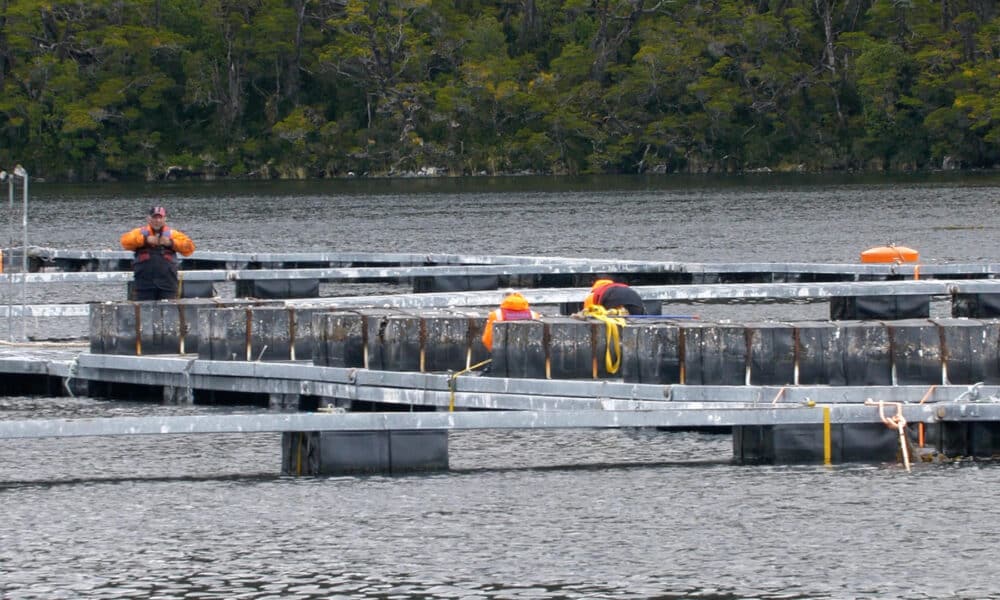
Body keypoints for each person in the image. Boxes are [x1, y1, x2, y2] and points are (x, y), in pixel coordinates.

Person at [120, 205, 196, 300]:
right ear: (149, 218)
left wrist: (171, 242)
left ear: (165, 219)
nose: (157, 220)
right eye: (154, 217)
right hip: (144, 284)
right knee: (145, 311)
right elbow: (125, 242)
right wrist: (145, 240)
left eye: (160, 218)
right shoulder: (139, 232)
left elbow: (190, 248)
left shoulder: (173, 234)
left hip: (167, 284)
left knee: (169, 311)